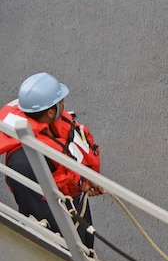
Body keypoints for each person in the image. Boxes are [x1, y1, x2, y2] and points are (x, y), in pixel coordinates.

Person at [0, 73, 102, 247]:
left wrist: (84, 182)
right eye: (60, 101)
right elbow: (41, 212)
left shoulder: (50, 125)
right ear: (50, 112)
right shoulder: (22, 163)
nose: (64, 103)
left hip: (75, 205)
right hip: (63, 226)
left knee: (87, 241)